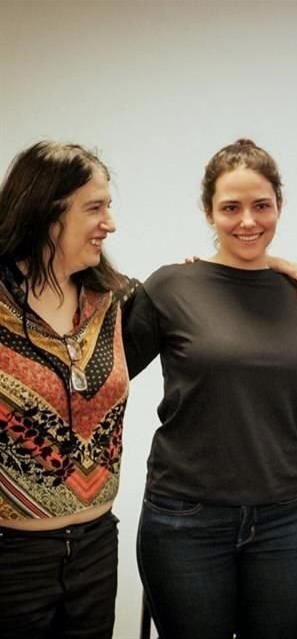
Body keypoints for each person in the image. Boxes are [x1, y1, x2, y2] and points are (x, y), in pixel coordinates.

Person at [122, 139, 297, 638]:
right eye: (231, 208)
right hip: (186, 520)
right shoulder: (172, 286)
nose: (248, 221)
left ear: (279, 205)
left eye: (261, 206)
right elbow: (104, 379)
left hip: (287, 519)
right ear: (209, 212)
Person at [0, 141, 126, 638]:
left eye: (108, 206)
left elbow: (207, 289)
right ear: (46, 213)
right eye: (94, 208)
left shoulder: (114, 302)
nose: (109, 223)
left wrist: (269, 266)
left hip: (96, 549)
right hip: (12, 560)